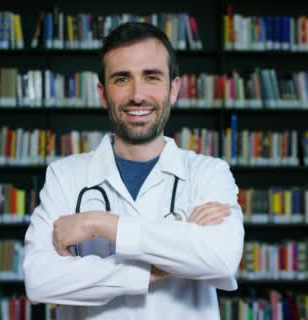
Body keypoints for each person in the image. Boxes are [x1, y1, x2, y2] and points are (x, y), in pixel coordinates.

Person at [23, 22, 245, 319]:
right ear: (103, 94)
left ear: (173, 88)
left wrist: (98, 223)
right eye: (122, 79)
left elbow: (220, 258)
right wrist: (155, 267)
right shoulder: (65, 176)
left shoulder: (208, 173)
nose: (137, 95)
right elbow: (40, 280)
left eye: (152, 77)